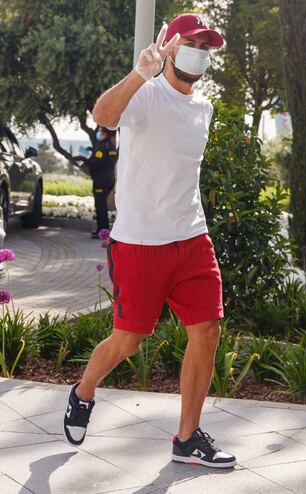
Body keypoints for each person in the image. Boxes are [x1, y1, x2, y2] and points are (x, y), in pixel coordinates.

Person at [63, 13, 237, 468]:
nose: (201, 49)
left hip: (192, 239)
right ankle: (83, 392)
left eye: (208, 43)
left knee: (207, 329)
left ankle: (186, 439)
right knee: (128, 341)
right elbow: (103, 115)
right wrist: (140, 74)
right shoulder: (145, 95)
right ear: (172, 46)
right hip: (140, 243)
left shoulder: (205, 108)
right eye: (193, 41)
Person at [76, 126, 117, 238]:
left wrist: (83, 158)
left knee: (100, 206)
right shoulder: (111, 146)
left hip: (101, 180)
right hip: (109, 179)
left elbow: (95, 164)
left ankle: (102, 231)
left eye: (100, 131)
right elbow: (105, 160)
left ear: (105, 134)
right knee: (102, 205)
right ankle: (102, 230)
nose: (98, 133)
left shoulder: (102, 147)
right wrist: (93, 151)